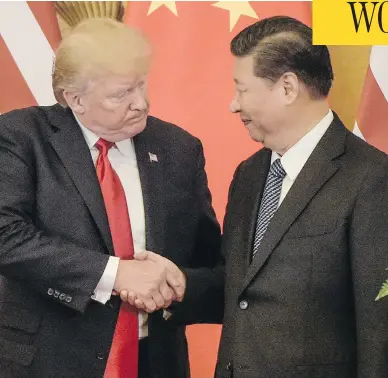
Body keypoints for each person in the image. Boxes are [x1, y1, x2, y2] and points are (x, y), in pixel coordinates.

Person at [0, 18, 223, 378]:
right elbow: (6, 236)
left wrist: (179, 283)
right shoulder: (21, 138)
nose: (141, 103)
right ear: (75, 99)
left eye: (141, 85)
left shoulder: (179, 149)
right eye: (121, 94)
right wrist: (115, 275)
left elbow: (211, 264)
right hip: (49, 362)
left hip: (155, 362)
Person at [215, 16, 388, 378]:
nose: (233, 105)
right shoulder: (248, 175)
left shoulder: (372, 178)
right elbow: (241, 287)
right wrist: (176, 283)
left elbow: (380, 330)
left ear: (288, 87)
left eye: (242, 90)